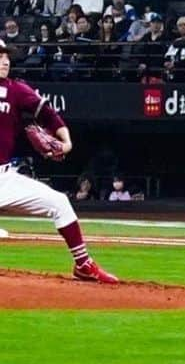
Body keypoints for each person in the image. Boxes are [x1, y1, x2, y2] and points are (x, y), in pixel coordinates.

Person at [0, 39, 118, 283]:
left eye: (6, 56)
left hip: (3, 178)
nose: (4, 60)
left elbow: (48, 114)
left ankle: (83, 264)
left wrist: (66, 140)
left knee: (60, 202)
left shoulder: (16, 89)